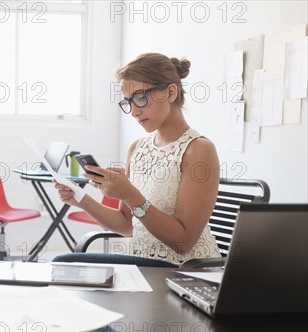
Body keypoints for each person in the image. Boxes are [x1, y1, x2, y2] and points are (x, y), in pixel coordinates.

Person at [53, 53, 221, 267]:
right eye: (128, 102)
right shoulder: (138, 148)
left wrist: (130, 195)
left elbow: (183, 243)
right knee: (64, 265)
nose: (133, 111)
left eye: (141, 97)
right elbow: (127, 225)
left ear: (170, 92)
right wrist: (81, 200)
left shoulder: (199, 150)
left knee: (64, 262)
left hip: (185, 269)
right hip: (142, 263)